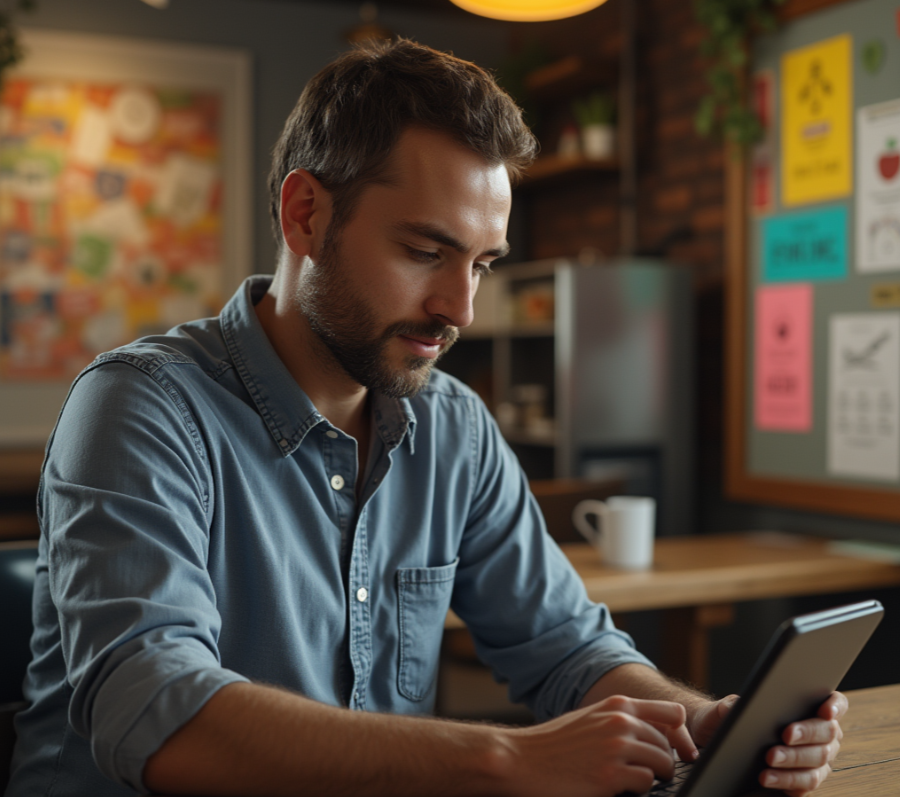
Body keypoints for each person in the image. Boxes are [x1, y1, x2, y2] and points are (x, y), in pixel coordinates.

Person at [7, 39, 844, 797]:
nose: (460, 308)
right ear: (306, 216)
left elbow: (566, 647)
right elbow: (157, 714)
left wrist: (700, 724)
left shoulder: (453, 426)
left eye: (482, 263)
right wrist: (508, 757)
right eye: (424, 251)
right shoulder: (142, 407)